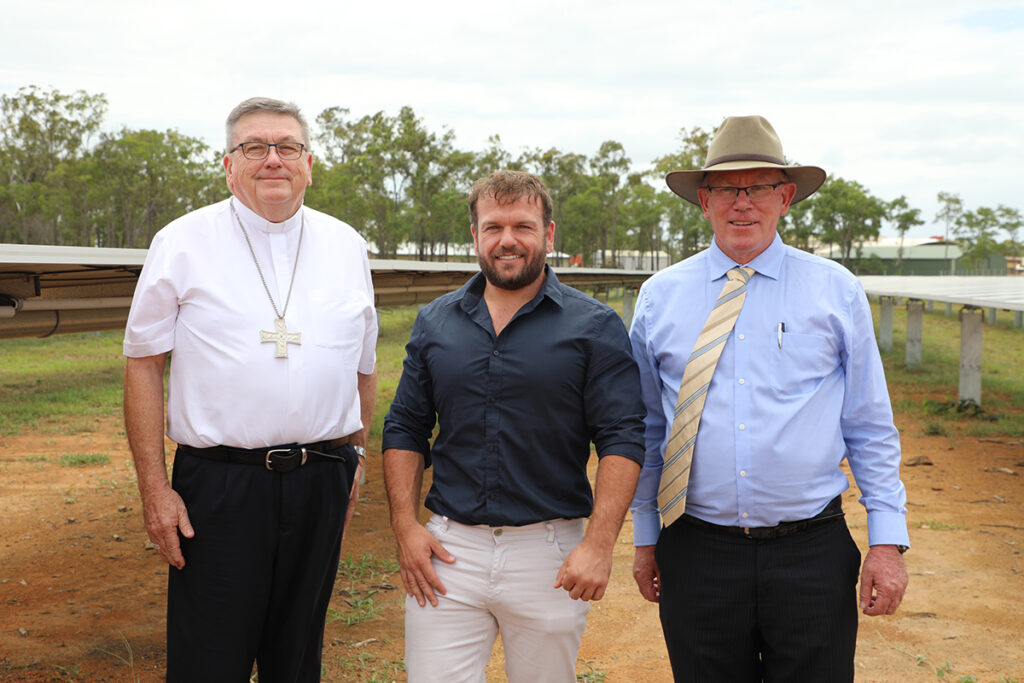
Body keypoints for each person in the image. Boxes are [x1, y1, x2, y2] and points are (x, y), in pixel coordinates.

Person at [629, 115, 909, 682]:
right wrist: (645, 537)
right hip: (697, 550)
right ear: (703, 201)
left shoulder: (835, 290)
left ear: (785, 198)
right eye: (727, 190)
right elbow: (647, 428)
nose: (742, 204)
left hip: (810, 551)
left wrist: (887, 542)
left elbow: (869, 423)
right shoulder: (659, 299)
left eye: (757, 188)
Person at [123, 97, 378, 682]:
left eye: (287, 147)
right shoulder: (182, 242)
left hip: (323, 476)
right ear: (227, 164)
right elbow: (143, 364)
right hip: (219, 486)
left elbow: (363, 365)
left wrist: (358, 455)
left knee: (297, 658)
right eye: (254, 147)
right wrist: (155, 488)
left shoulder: (346, 245)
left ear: (308, 163)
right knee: (209, 659)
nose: (272, 159)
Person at [382, 170, 645, 682]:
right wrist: (404, 526)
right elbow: (406, 427)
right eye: (493, 227)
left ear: (548, 235)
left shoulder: (594, 326)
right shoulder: (436, 322)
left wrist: (598, 544)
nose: (507, 240)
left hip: (548, 554)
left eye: (522, 226)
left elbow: (622, 435)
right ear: (475, 236)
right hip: (449, 552)